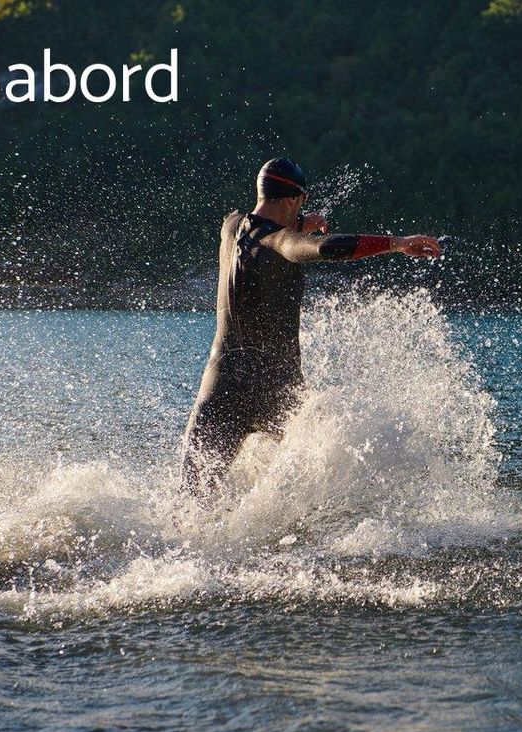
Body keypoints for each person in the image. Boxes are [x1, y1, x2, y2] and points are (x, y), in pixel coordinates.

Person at [180, 157, 441, 499]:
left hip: (221, 385)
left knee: (189, 504)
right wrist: (396, 243)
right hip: (274, 390)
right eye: (300, 203)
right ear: (292, 199)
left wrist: (300, 221)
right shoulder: (282, 243)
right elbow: (327, 247)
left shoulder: (230, 227)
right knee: (324, 490)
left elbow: (257, 231)